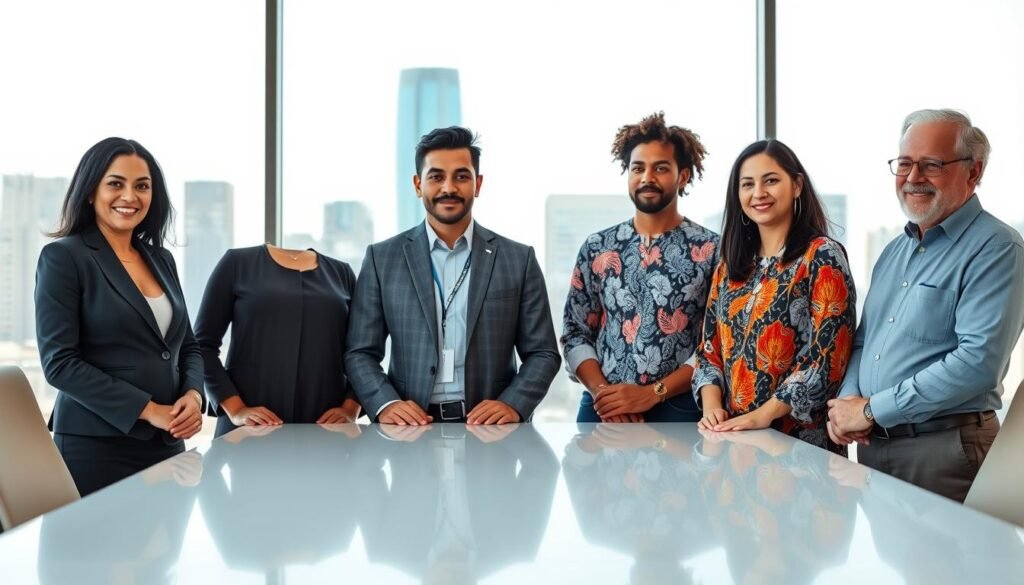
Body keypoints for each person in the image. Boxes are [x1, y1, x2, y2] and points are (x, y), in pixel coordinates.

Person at [828, 109, 1024, 501]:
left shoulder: (997, 249)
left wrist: (870, 411)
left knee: (951, 565)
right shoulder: (893, 252)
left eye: (931, 164)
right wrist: (848, 404)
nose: (914, 178)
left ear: (973, 172)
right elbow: (865, 342)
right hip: (875, 450)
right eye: (904, 164)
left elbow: (977, 364)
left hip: (946, 452)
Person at [345, 126, 560, 424]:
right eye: (436, 177)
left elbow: (543, 353)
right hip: (409, 432)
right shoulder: (382, 259)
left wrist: (513, 404)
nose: (449, 187)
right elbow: (359, 353)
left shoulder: (518, 259)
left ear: (478, 184)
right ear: (418, 184)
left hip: (491, 432)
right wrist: (386, 404)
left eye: (461, 176)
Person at [35, 137, 204, 496]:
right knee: (101, 551)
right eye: (116, 183)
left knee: (166, 552)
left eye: (142, 186)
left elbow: (186, 344)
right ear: (90, 191)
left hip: (167, 441)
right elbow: (60, 363)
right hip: (97, 446)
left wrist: (193, 394)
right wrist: (148, 409)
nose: (130, 196)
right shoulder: (64, 258)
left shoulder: (161, 260)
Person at [693, 139, 856, 453]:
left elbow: (828, 357)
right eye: (747, 184)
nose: (759, 193)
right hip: (733, 441)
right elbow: (709, 349)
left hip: (798, 447)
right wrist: (711, 407)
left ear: (796, 185)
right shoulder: (730, 266)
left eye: (771, 180)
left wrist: (761, 416)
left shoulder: (821, 256)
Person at [561, 111, 719, 423]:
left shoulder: (713, 250)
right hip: (602, 409)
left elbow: (717, 344)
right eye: (638, 168)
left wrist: (650, 394)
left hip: (679, 409)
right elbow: (575, 333)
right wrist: (607, 397)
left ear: (683, 176)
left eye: (661, 168)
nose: (647, 177)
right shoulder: (597, 247)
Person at [194, 242, 361, 437]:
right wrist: (236, 409)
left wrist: (351, 408)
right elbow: (202, 346)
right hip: (250, 429)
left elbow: (362, 352)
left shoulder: (342, 273)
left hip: (326, 428)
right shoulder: (237, 263)